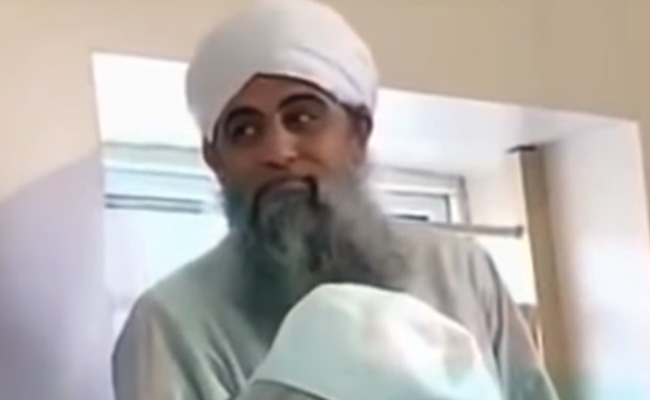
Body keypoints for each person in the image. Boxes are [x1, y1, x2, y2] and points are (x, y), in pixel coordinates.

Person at [112, 1, 559, 399]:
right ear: (216, 160)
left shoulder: (460, 272)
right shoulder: (171, 324)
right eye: (244, 130)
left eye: (302, 118)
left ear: (357, 136)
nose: (277, 151)